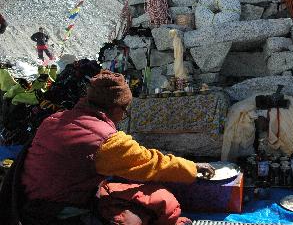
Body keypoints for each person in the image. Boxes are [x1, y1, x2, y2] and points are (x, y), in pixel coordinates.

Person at [20, 70, 215, 225]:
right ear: (114, 108)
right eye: (125, 110)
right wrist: (192, 167)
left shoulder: (53, 120)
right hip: (59, 211)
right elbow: (151, 163)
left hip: (26, 203)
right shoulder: (106, 141)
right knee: (160, 199)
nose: (123, 116)